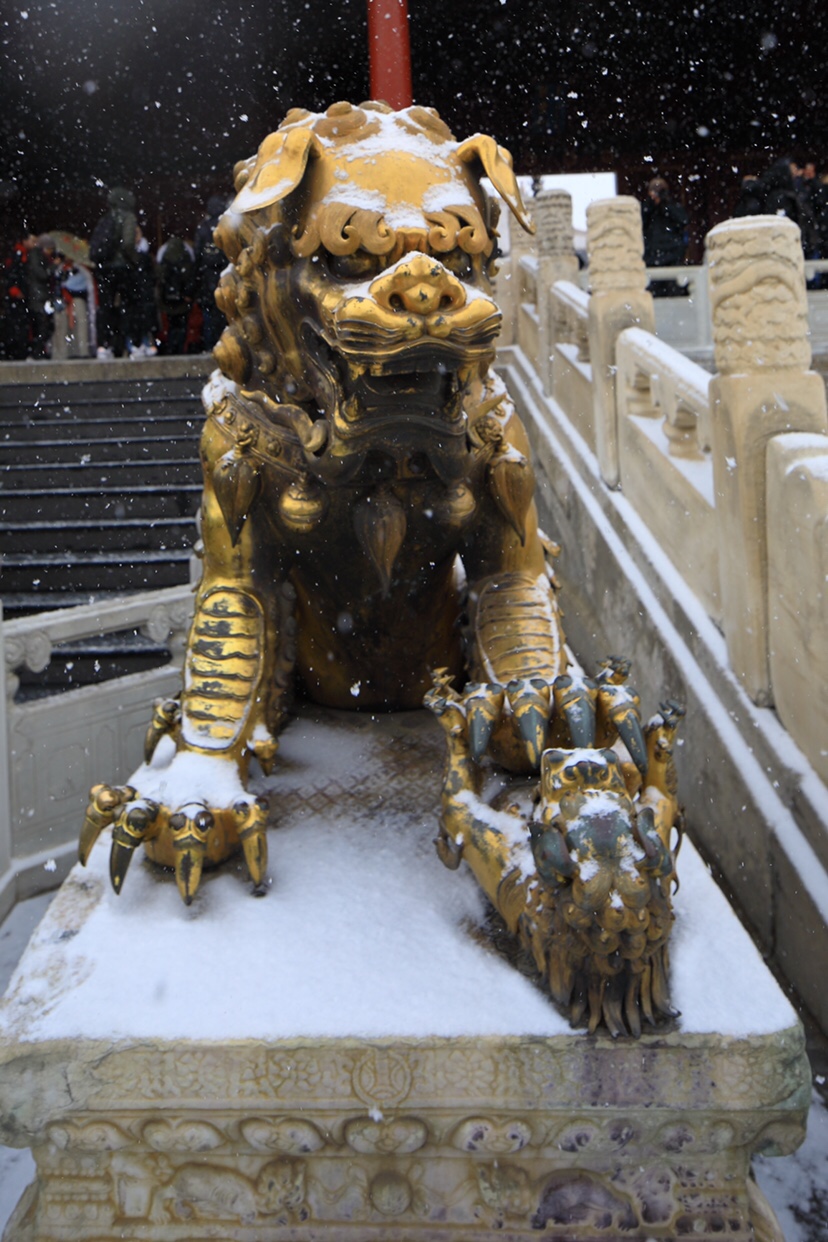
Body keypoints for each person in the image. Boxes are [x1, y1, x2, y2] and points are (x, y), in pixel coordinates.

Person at [90, 186, 138, 358]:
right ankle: (127, 344)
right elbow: (128, 243)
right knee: (128, 306)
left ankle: (104, 345)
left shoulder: (107, 218)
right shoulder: (128, 217)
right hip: (122, 268)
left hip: (105, 268)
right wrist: (135, 260)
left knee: (105, 307)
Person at [640, 177, 689, 297]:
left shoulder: (673, 207)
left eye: (659, 190)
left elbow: (684, 220)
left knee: (675, 294)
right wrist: (651, 204)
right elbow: (639, 222)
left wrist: (665, 204)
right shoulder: (646, 209)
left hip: (672, 259)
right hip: (652, 260)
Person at [193, 195, 228, 352]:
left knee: (208, 312)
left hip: (207, 275)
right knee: (224, 311)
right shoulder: (226, 227)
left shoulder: (203, 228)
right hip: (224, 273)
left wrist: (198, 275)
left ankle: (210, 345)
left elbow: (197, 254)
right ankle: (224, 344)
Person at [156, 236, 194, 354]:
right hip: (183, 296)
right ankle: (180, 348)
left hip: (168, 296)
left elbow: (159, 274)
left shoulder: (163, 251)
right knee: (182, 324)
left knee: (171, 324)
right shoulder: (187, 251)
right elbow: (191, 274)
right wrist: (188, 292)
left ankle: (171, 347)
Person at [24, 234, 60, 358]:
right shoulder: (35, 256)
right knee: (42, 326)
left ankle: (38, 352)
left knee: (45, 326)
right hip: (38, 296)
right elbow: (42, 275)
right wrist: (53, 266)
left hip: (42, 296)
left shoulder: (41, 257)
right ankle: (37, 353)